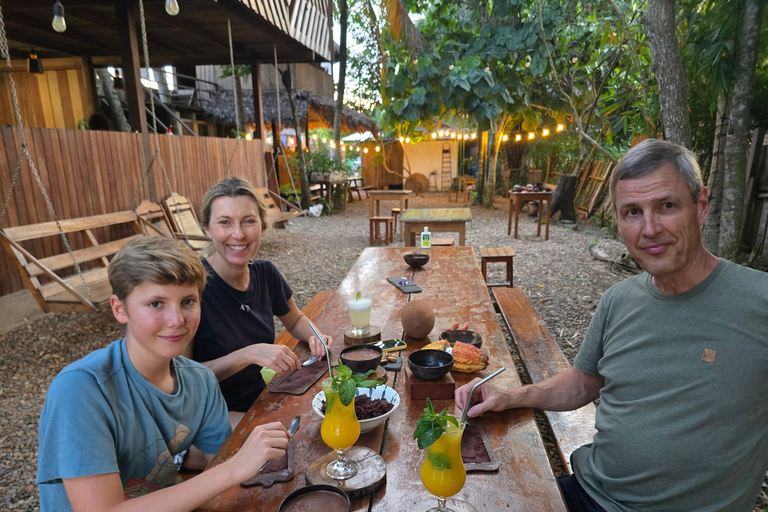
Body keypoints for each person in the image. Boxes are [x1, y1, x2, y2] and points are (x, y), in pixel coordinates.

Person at [456, 139, 768, 512]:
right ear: (619, 223)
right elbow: (584, 382)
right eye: (632, 212)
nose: (649, 229)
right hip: (591, 494)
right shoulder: (620, 300)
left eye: (666, 206)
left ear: (700, 206)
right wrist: (510, 395)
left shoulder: (757, 302)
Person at [37, 237, 291, 512]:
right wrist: (234, 468)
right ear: (119, 309)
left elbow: (212, 457)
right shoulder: (81, 390)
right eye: (156, 303)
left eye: (187, 301)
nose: (177, 320)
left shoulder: (199, 380)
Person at [186, 177, 332, 424]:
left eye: (248, 221)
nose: (239, 234)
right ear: (207, 229)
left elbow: (294, 318)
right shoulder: (190, 290)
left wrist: (314, 335)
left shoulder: (265, 273)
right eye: (225, 222)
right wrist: (247, 355)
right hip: (218, 415)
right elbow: (183, 380)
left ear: (262, 226)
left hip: (266, 395)